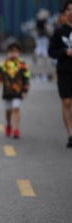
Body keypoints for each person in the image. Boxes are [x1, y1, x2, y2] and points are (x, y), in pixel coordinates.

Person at [0, 42, 30, 139]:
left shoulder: (22, 64)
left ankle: (16, 129)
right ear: (7, 53)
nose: (13, 54)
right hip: (7, 91)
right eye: (11, 52)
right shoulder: (3, 64)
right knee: (8, 110)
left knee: (16, 108)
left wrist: (25, 91)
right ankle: (9, 124)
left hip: (18, 91)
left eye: (15, 52)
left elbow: (26, 78)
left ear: (19, 53)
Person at [49, 0, 72, 148]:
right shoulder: (59, 32)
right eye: (69, 9)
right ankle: (71, 134)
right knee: (67, 102)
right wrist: (65, 52)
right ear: (65, 13)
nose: (71, 12)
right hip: (64, 70)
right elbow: (51, 52)